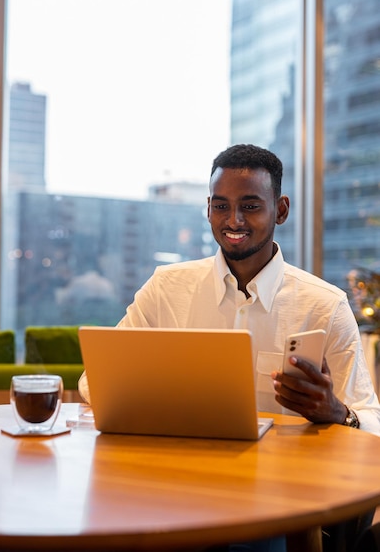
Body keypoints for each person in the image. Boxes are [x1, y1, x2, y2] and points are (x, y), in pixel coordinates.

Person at [78, 143, 380, 552]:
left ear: (282, 210)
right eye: (221, 206)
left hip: (279, 501)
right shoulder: (166, 287)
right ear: (207, 209)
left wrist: (337, 413)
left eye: (250, 206)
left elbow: (370, 421)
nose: (233, 220)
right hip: (173, 487)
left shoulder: (324, 305)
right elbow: (95, 381)